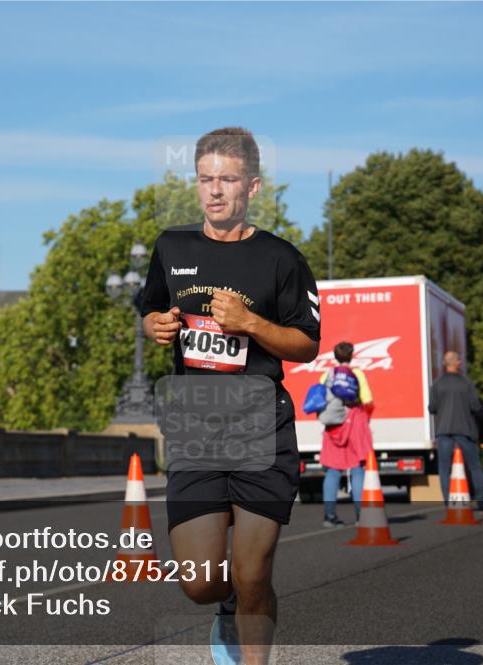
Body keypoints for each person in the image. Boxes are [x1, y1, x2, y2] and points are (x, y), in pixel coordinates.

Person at [140, 127, 320, 665]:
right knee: (201, 582)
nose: (215, 190)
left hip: (261, 424)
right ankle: (226, 610)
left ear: (253, 187)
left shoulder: (281, 258)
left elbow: (306, 344)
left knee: (252, 572)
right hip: (195, 425)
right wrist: (156, 325)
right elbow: (150, 308)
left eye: (228, 179)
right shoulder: (172, 247)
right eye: (205, 179)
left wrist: (251, 323)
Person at [317, 341, 374, 527]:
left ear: (335, 356)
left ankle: (329, 516)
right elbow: (367, 401)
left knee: (333, 471)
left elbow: (320, 401)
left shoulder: (326, 375)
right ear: (351, 355)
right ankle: (360, 516)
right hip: (355, 423)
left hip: (333, 426)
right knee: (357, 469)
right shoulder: (357, 374)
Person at [428, 351, 483, 510]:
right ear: (458, 363)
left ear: (443, 363)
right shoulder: (466, 383)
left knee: (444, 468)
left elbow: (432, 408)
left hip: (444, 430)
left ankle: (449, 502)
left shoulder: (437, 384)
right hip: (465, 429)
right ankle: (481, 501)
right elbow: (475, 406)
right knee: (474, 465)